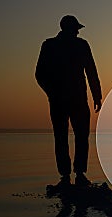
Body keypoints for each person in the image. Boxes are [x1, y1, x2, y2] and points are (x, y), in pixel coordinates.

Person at [36, 15, 102, 188]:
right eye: (76, 29)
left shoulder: (50, 45)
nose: (79, 32)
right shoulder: (77, 45)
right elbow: (91, 72)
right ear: (71, 29)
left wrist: (51, 93)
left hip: (64, 99)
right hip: (76, 99)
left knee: (63, 136)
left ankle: (67, 175)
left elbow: (40, 75)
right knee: (79, 136)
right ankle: (77, 174)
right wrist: (97, 96)